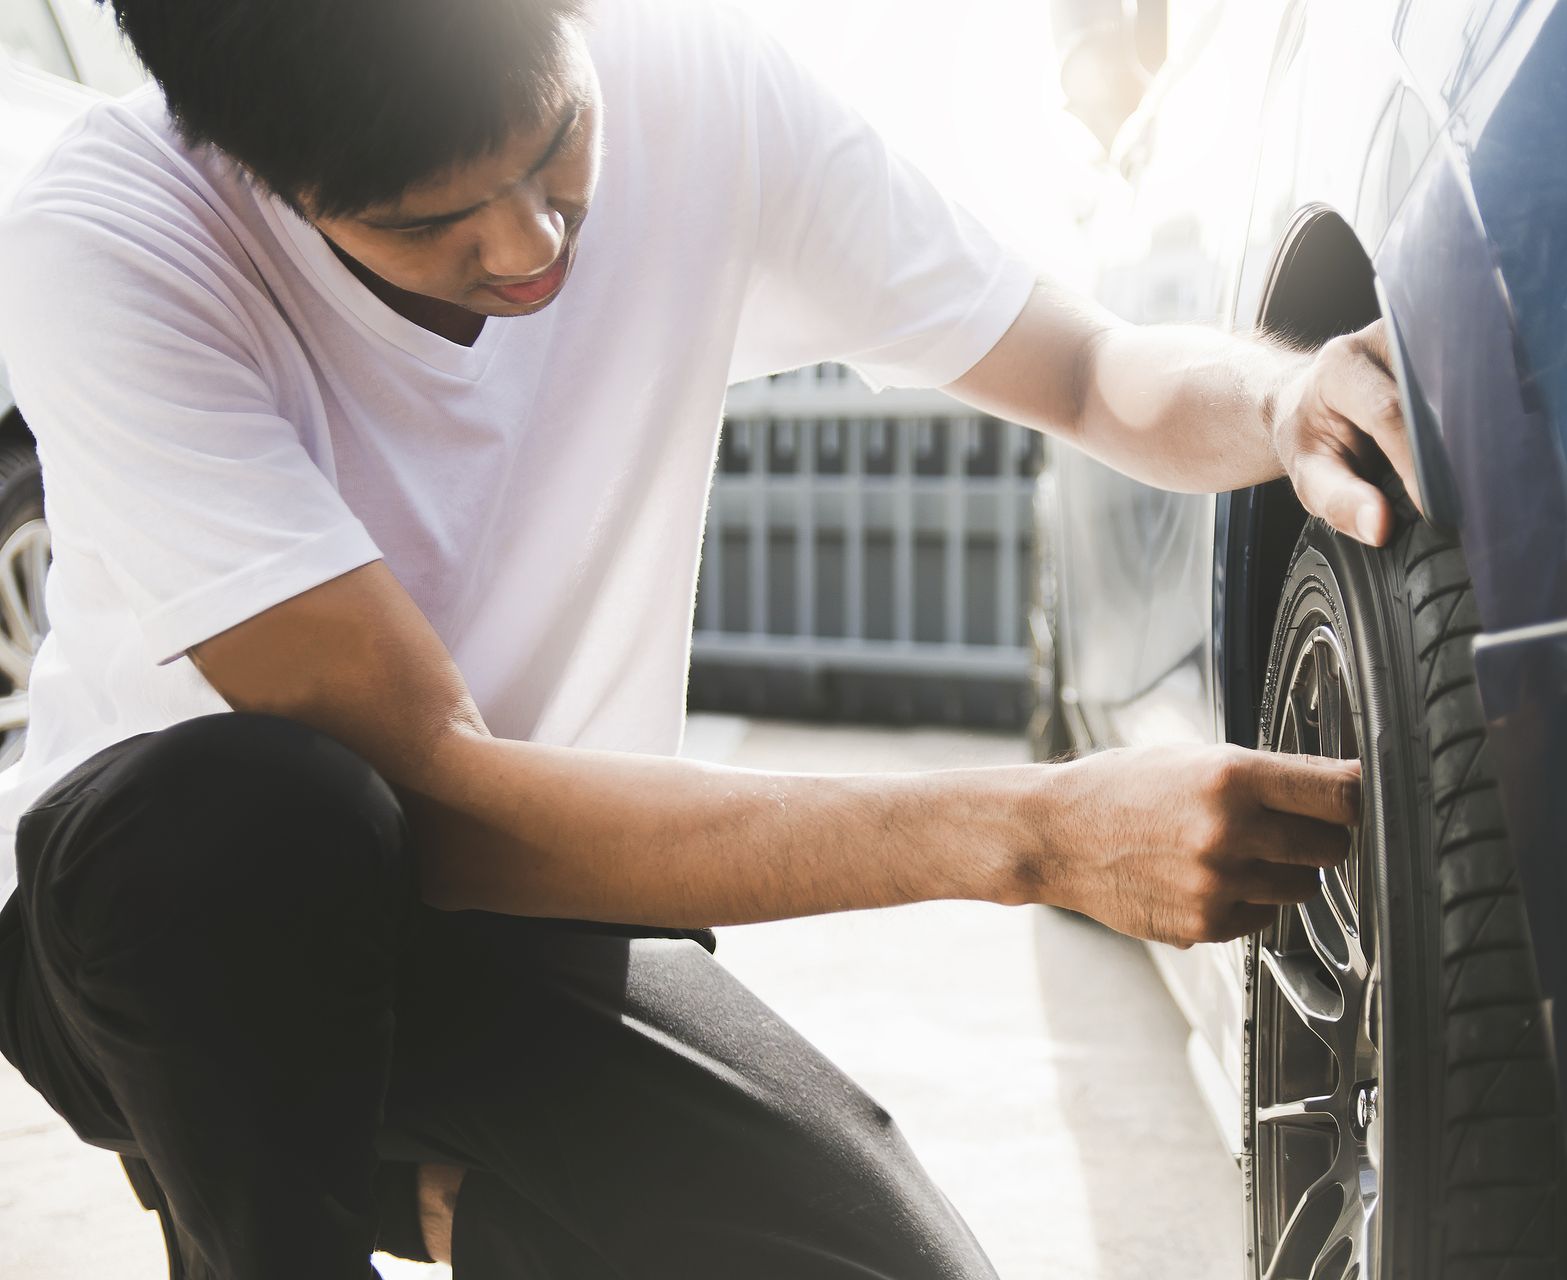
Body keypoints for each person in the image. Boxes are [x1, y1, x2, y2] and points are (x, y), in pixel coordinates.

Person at [0, 0, 1416, 1274]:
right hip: (172, 930)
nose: (530, 245)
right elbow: (433, 791)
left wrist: (1280, 401)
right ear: (251, 171)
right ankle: (247, 1187)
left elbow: (1095, 372)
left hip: (556, 899)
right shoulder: (114, 237)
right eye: (427, 222)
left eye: (552, 143)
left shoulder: (699, 80)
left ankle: (450, 1199)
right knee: (262, 817)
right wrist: (1037, 835)